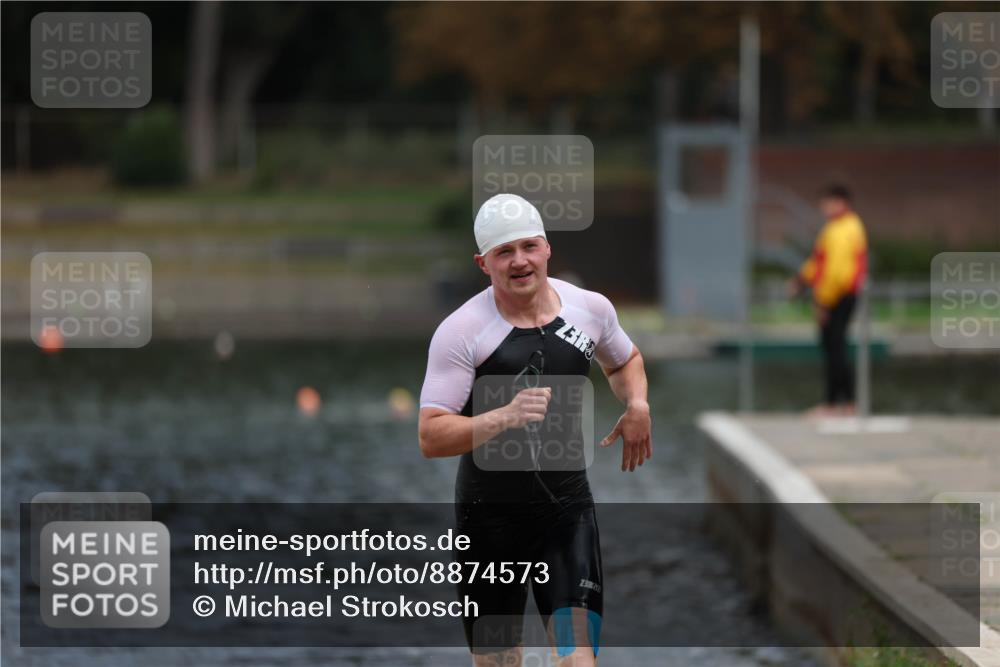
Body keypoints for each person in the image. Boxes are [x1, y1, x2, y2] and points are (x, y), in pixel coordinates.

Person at [418, 193, 651, 667]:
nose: (520, 261)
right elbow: (431, 436)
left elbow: (625, 360)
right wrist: (503, 416)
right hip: (488, 523)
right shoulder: (462, 331)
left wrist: (637, 404)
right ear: (483, 263)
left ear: (547, 248)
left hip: (566, 515)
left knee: (577, 659)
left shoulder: (589, 309)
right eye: (504, 252)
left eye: (528, 246)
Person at [789, 184, 868, 417]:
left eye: (827, 202)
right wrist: (801, 280)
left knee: (836, 347)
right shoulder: (834, 228)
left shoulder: (845, 229)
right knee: (834, 346)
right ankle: (842, 402)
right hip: (836, 294)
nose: (823, 207)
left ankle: (839, 403)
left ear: (841, 202)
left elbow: (837, 272)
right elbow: (819, 262)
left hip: (839, 296)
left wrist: (823, 300)